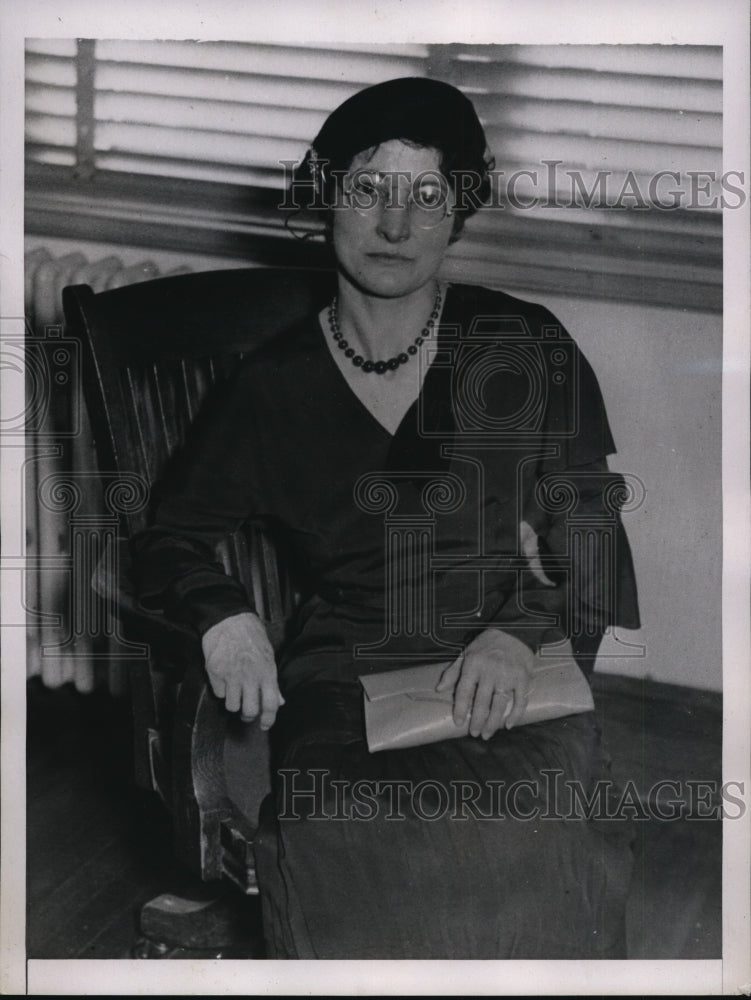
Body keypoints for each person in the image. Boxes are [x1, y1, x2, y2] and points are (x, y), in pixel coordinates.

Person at [132, 77, 640, 959]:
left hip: (513, 659)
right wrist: (222, 615)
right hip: (345, 677)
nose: (395, 227)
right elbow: (164, 540)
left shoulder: (524, 345)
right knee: (354, 839)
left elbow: (591, 536)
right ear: (326, 196)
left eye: (427, 195)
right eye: (368, 190)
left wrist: (519, 632)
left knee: (537, 837)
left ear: (459, 213)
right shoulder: (272, 387)